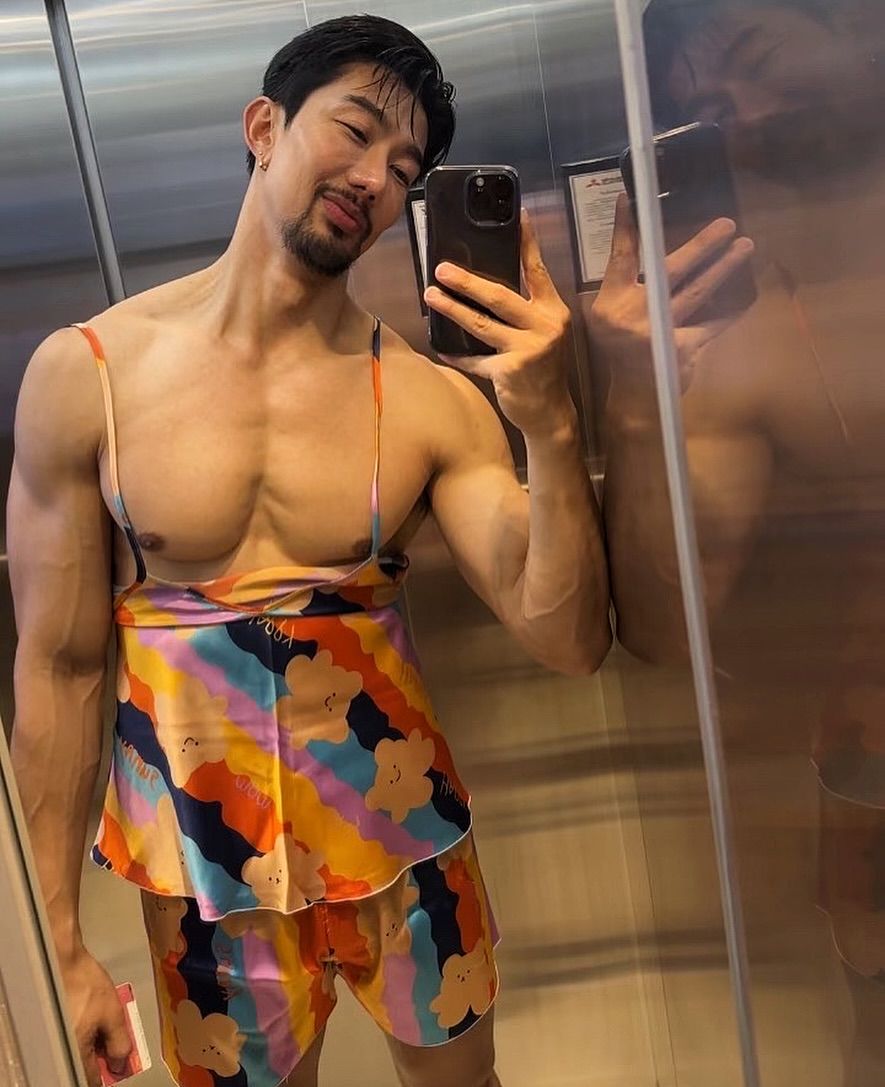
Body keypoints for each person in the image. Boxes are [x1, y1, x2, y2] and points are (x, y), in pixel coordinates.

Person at [8, 15, 611, 1087]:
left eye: (405, 168)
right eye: (355, 129)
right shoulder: (87, 373)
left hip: (410, 851)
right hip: (206, 879)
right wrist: (56, 940)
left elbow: (564, 638)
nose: (375, 177)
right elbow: (58, 668)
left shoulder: (429, 399)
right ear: (263, 127)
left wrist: (552, 426)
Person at [596, 1, 885, 1083]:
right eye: (713, 107)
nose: (748, 115)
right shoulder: (749, 342)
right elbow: (666, 623)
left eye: (757, 61)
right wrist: (635, 408)